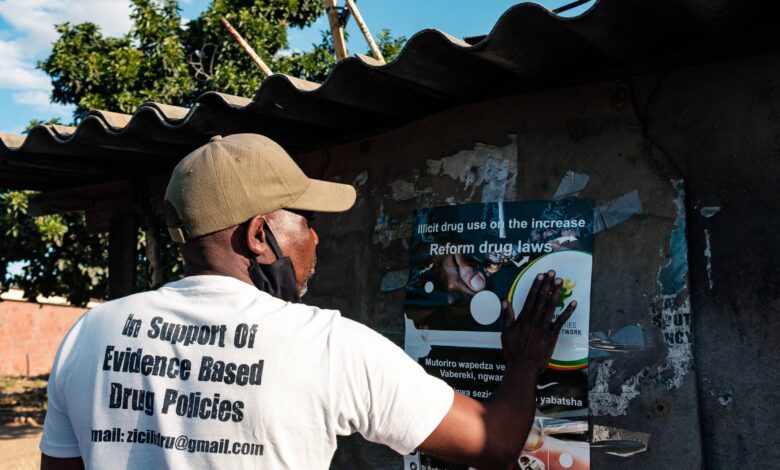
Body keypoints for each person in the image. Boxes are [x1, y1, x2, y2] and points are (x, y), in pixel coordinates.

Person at [39, 134, 576, 470]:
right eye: (307, 221)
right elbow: (497, 443)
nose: (316, 240)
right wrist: (526, 361)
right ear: (257, 236)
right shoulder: (326, 344)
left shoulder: (90, 334)